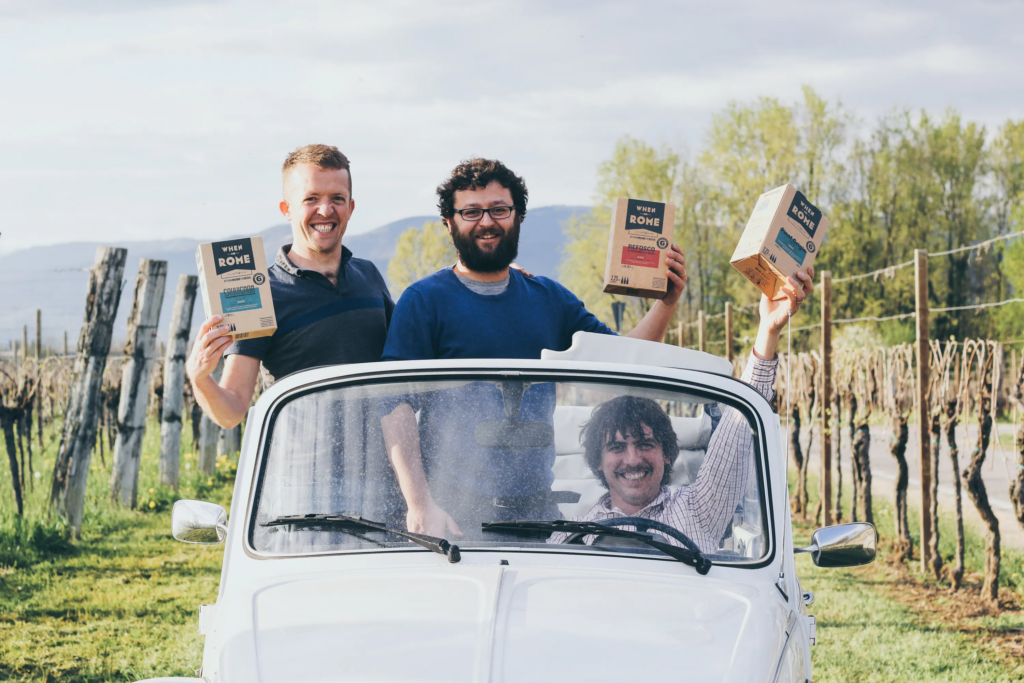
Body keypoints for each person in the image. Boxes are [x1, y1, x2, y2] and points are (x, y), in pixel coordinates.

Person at [379, 157, 689, 538]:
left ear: (518, 217)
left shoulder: (549, 299)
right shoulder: (423, 301)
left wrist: (667, 302)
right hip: (454, 515)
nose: (487, 221)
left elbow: (624, 361)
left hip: (539, 513)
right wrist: (421, 504)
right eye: (471, 212)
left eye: (499, 209)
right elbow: (395, 406)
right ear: (450, 223)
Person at [550, 266, 815, 554]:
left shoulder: (698, 509)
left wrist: (768, 330)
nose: (633, 459)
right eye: (616, 447)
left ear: (666, 453)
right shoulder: (569, 535)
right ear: (598, 461)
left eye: (645, 444)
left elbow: (737, 428)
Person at [187, 144, 394, 428]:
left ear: (351, 207)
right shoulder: (259, 293)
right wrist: (199, 377)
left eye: (337, 198)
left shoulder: (368, 275)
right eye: (311, 198)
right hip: (301, 471)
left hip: (380, 468)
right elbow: (232, 411)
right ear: (287, 209)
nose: (326, 209)